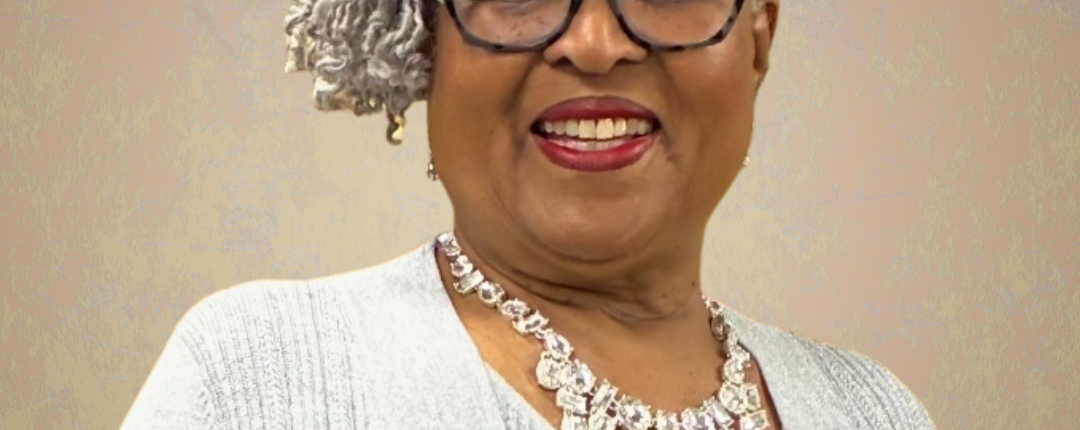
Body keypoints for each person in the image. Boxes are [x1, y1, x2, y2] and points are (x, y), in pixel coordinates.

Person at [120, 0, 936, 428]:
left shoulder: (873, 412)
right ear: (426, 40)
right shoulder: (262, 382)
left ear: (757, 40)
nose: (594, 41)